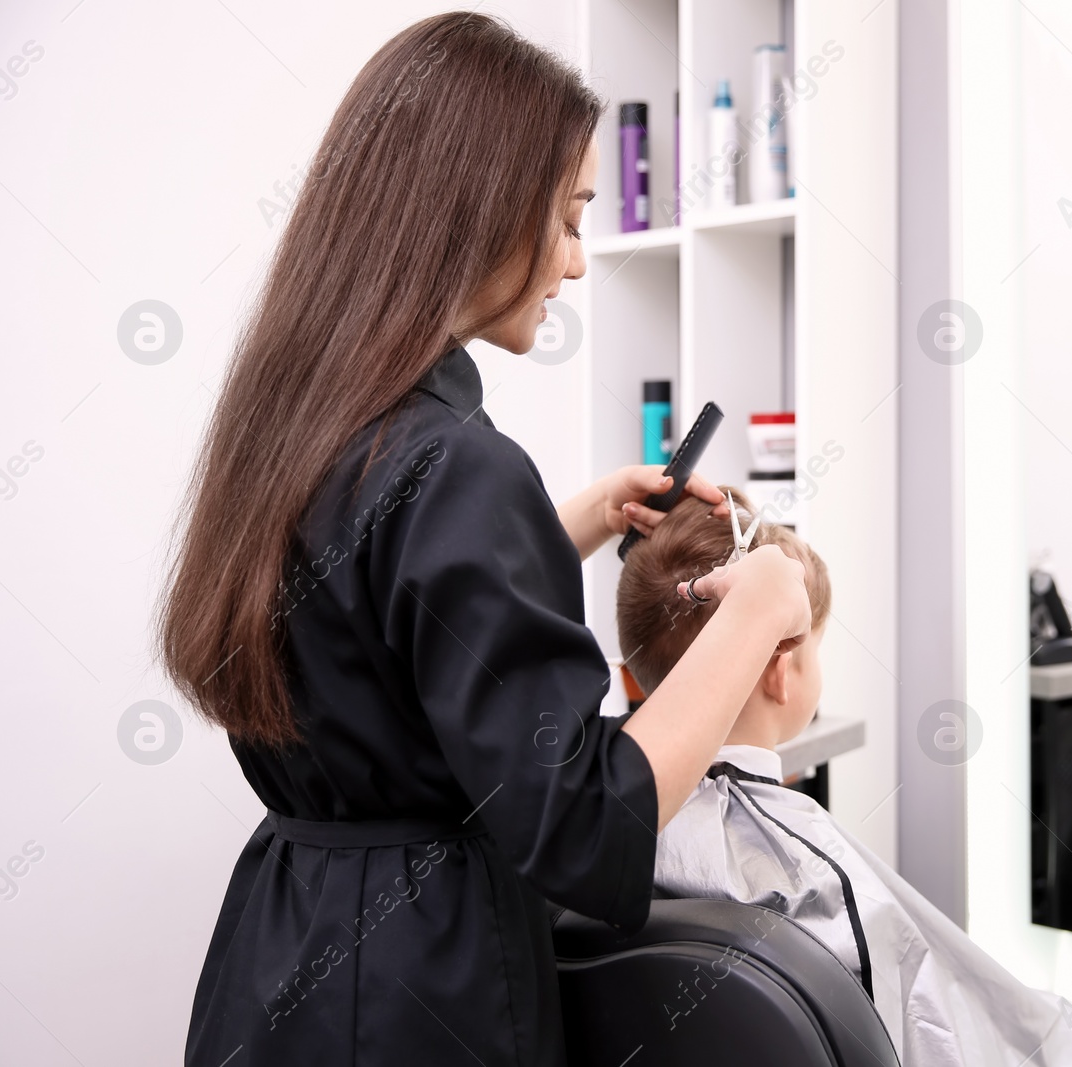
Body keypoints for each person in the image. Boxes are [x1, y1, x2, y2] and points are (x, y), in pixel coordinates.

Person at [157, 15, 810, 1067]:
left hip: (277, 955)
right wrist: (763, 605)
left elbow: (368, 635)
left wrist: (577, 522)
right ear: (472, 211)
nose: (579, 263)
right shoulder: (455, 464)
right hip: (418, 986)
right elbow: (586, 822)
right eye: (565, 218)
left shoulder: (301, 422)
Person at [616, 491, 1072, 1067]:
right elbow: (945, 1036)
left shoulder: (598, 823)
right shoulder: (812, 876)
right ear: (782, 671)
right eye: (818, 645)